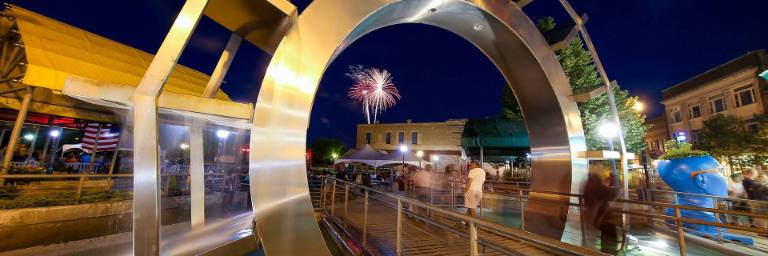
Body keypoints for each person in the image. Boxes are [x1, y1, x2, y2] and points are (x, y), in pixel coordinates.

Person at [583, 165, 620, 254]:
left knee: (602, 238)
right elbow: (612, 194)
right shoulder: (596, 184)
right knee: (609, 240)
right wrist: (614, 183)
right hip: (604, 218)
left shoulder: (588, 184)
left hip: (595, 216)